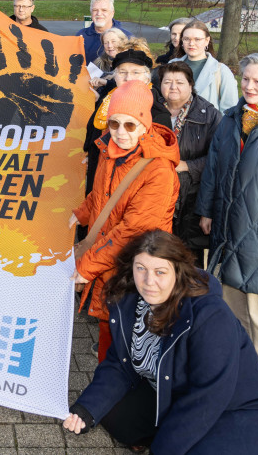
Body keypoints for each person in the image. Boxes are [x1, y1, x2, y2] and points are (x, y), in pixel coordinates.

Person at [63, 230, 258, 454]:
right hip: (172, 392)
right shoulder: (129, 300)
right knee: (112, 413)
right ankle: (172, 432)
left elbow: (207, 398)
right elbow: (119, 363)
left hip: (236, 409)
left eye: (160, 272)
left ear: (178, 272)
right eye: (141, 269)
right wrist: (87, 409)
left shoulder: (210, 315)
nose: (149, 281)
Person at [197, 48, 258, 404]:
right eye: (245, 79)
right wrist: (206, 210)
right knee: (233, 305)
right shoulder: (229, 119)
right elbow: (213, 169)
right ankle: (241, 368)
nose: (249, 86)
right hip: (229, 228)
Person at [70, 80, 180, 363]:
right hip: (112, 264)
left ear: (145, 124)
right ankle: (108, 392)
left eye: (129, 125)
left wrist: (88, 266)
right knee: (111, 333)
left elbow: (134, 231)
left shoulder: (159, 172)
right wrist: (82, 213)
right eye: (114, 124)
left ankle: (120, 397)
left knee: (130, 341)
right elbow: (102, 194)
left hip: (137, 270)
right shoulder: (111, 151)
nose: (120, 132)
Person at [83, 46, 170, 197]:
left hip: (132, 186)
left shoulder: (157, 110)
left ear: (146, 77)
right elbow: (93, 131)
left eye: (135, 72)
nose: (128, 78)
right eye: (122, 72)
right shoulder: (108, 98)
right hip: (99, 176)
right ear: (114, 77)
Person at [159, 62, 221, 265]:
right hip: (158, 195)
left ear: (191, 84)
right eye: (167, 82)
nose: (173, 87)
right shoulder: (152, 110)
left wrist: (188, 166)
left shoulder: (209, 115)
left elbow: (220, 157)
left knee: (189, 262)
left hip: (192, 198)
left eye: (179, 82)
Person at [170, 20, 238, 112]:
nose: (191, 43)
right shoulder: (171, 65)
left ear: (207, 41)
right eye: (186, 39)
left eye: (197, 39)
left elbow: (229, 110)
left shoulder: (221, 71)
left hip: (208, 125)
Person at [76, 0, 132, 64]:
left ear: (112, 13)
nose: (99, 14)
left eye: (104, 10)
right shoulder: (81, 35)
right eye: (95, 10)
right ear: (91, 13)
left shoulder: (127, 37)